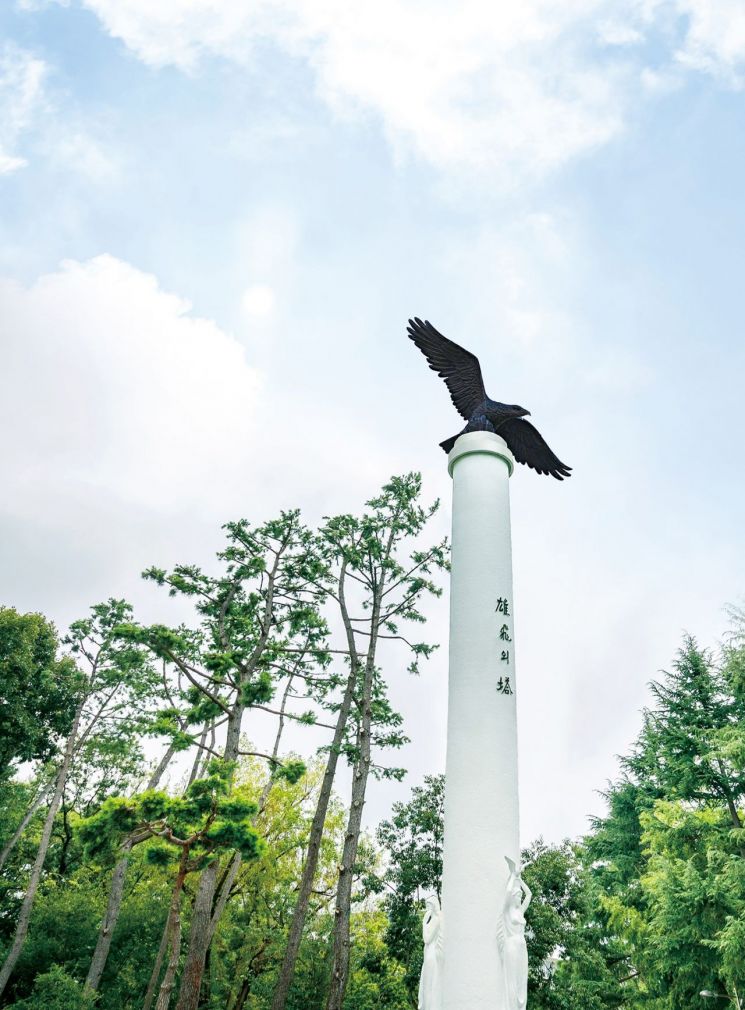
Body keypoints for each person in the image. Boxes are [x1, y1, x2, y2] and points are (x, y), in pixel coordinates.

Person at [497, 856, 532, 1010]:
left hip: (522, 946)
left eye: (519, 896)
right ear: (512, 898)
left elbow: (529, 895)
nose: (519, 897)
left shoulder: (520, 911)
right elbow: (508, 892)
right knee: (511, 980)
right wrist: (513, 876)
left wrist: (520, 878)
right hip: (511, 945)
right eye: (517, 896)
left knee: (521, 981)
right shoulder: (507, 911)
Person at [418, 894, 443, 1010]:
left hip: (431, 956)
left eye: (428, 905)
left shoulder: (436, 920)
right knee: (426, 987)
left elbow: (427, 939)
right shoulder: (433, 919)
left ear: (433, 906)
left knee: (429, 986)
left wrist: (424, 923)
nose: (427, 908)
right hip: (428, 955)